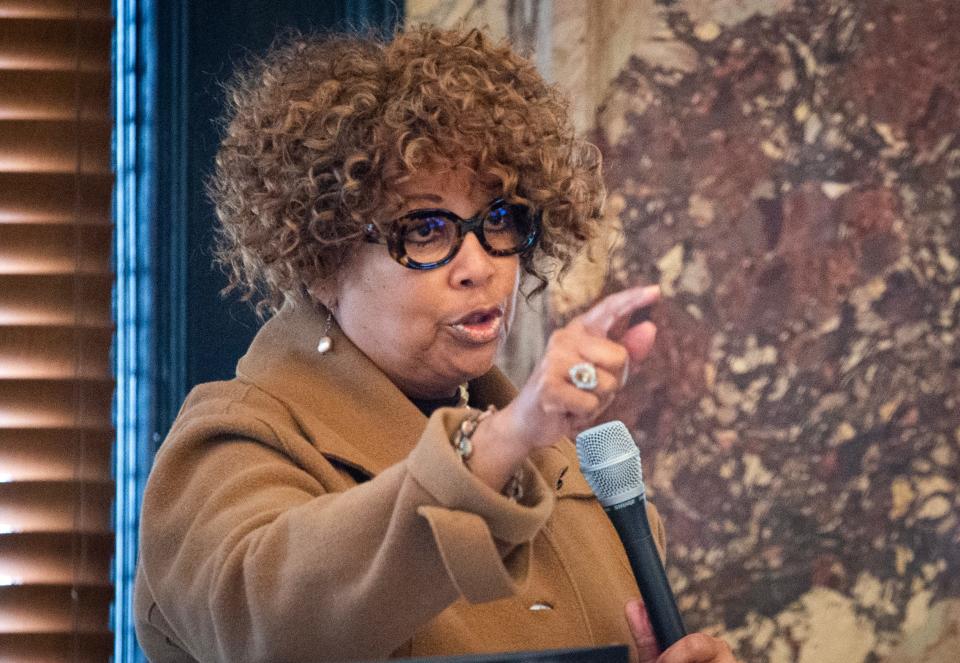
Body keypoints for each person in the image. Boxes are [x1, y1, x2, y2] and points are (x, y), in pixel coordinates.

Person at [134, 24, 737, 663]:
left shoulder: (575, 477)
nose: (478, 264)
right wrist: (502, 442)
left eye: (499, 218)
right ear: (320, 261)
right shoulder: (235, 443)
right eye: (424, 229)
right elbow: (270, 629)